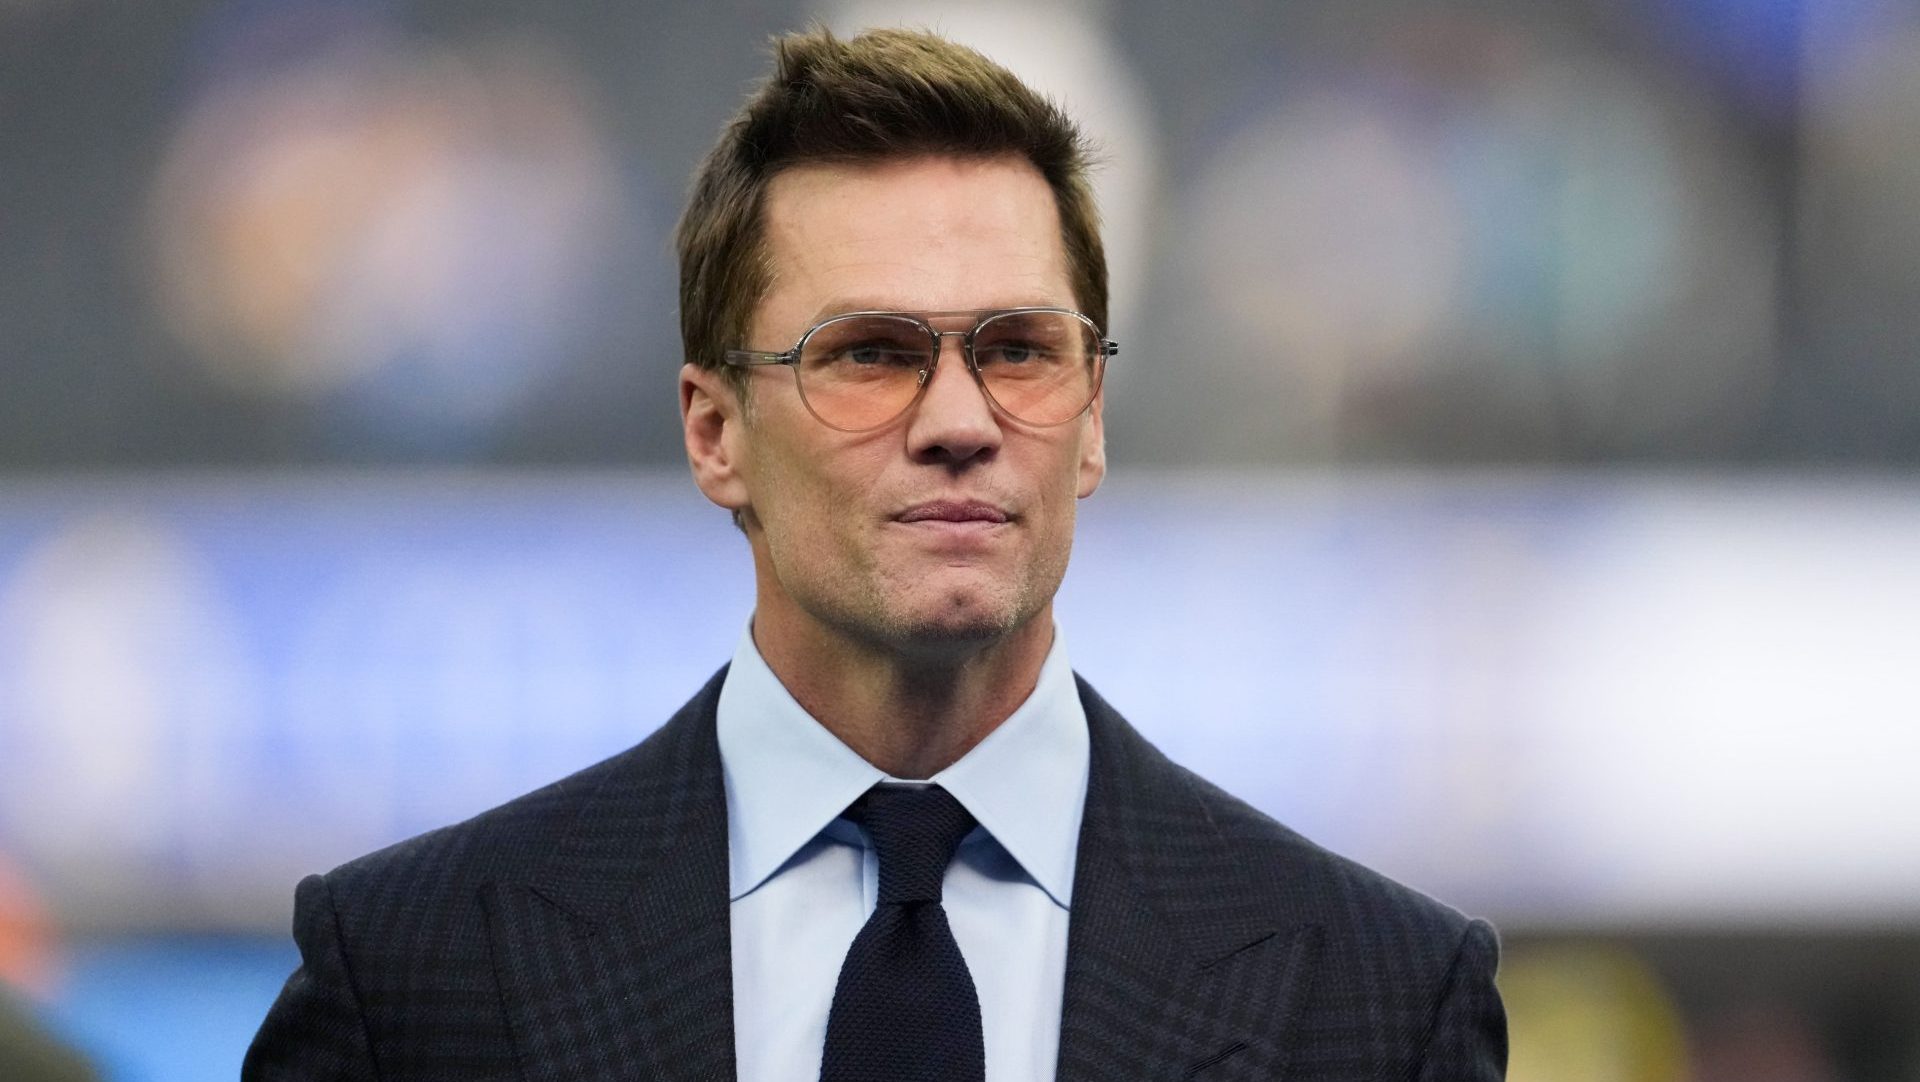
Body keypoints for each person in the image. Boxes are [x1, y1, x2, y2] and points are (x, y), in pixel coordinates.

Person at [244, 26, 1507, 1082]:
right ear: (714, 432)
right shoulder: (415, 973)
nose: (960, 421)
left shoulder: (1382, 995)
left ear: (1092, 422)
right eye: (870, 354)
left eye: (1020, 350)